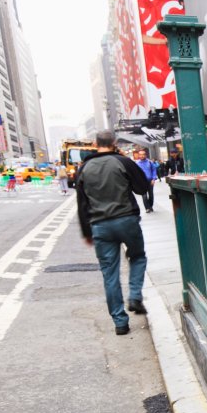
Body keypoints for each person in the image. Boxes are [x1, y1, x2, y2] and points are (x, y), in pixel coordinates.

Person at [76, 130, 151, 335]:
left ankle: (120, 322)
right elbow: (142, 188)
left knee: (109, 274)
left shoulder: (84, 168)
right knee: (137, 256)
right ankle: (134, 295)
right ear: (115, 142)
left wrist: (87, 232)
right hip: (127, 219)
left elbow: (82, 205)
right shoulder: (122, 162)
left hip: (100, 225)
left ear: (94, 143)